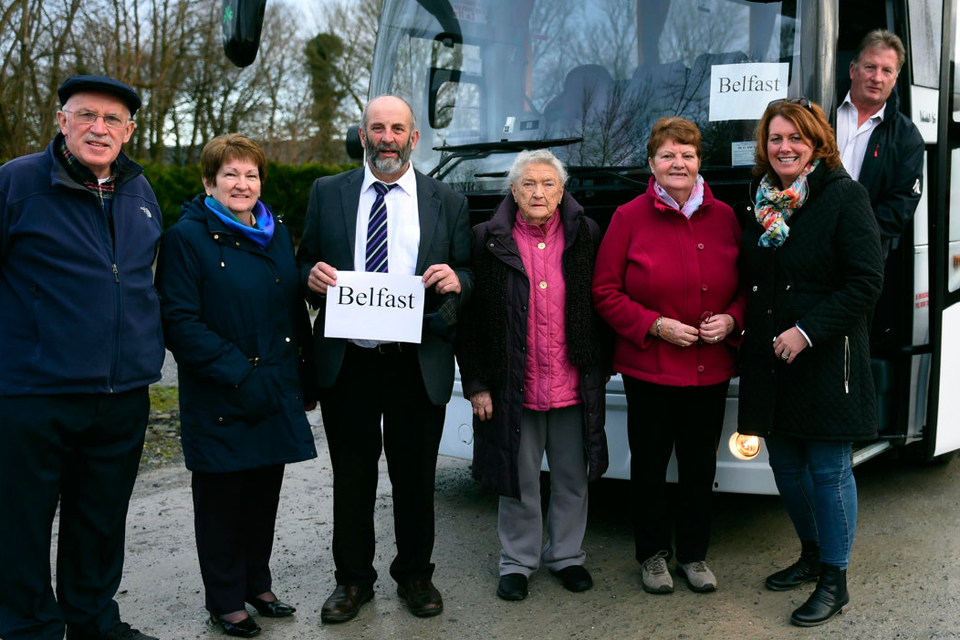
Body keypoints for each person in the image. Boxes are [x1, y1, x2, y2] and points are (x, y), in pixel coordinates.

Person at [296, 95, 473, 623]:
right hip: (348, 360)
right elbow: (305, 260)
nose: (388, 137)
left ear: (414, 138)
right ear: (363, 134)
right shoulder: (328, 193)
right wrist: (310, 278)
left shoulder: (448, 200)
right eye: (378, 128)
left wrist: (457, 281)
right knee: (351, 477)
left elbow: (469, 272)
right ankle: (353, 581)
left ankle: (416, 576)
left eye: (398, 128)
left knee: (416, 476)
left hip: (414, 361)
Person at [0, 75, 164, 640]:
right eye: (86, 115)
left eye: (113, 119)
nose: (100, 127)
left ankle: (93, 621)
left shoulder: (140, 192)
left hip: (121, 394)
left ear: (129, 130)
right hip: (34, 392)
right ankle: (27, 628)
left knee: (99, 521)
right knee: (21, 523)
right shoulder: (18, 183)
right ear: (62, 119)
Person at [155, 134, 317, 638]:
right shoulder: (186, 238)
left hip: (274, 389)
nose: (242, 184)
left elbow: (294, 311)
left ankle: (257, 582)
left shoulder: (277, 232)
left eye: (250, 175)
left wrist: (304, 377)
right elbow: (180, 322)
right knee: (223, 502)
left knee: (263, 495)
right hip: (223, 393)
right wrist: (240, 374)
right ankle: (225, 599)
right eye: (230, 175)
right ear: (209, 182)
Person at [738, 97, 884, 627]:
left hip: (827, 357)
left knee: (827, 470)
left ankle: (834, 579)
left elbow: (867, 282)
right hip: (769, 357)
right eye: (776, 138)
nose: (785, 147)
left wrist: (805, 331)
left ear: (817, 141)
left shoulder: (844, 196)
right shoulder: (757, 200)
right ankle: (810, 553)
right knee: (785, 465)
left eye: (795, 138)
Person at [592, 117, 745, 595]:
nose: (678, 163)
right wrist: (654, 325)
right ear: (651, 165)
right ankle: (653, 555)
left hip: (711, 369)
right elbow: (604, 292)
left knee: (701, 467)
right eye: (667, 155)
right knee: (650, 466)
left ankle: (695, 556)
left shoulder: (725, 216)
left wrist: (732, 321)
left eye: (688, 155)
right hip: (650, 370)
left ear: (700, 162)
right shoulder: (627, 217)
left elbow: (747, 288)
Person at [457, 149, 609, 602]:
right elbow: (472, 319)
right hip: (513, 386)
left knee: (571, 477)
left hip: (572, 383)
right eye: (528, 184)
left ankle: (566, 556)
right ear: (513, 190)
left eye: (548, 184)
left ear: (562, 191)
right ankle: (517, 563)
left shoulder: (586, 233)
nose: (538, 192)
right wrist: (478, 383)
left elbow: (601, 304)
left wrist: (602, 367)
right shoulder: (486, 239)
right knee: (517, 480)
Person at [837, 29, 923, 261]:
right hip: (808, 241)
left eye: (887, 71)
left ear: (895, 79)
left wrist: (853, 234)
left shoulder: (908, 137)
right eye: (870, 67)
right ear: (853, 70)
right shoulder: (820, 112)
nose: (877, 77)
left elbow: (901, 205)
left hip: (862, 254)